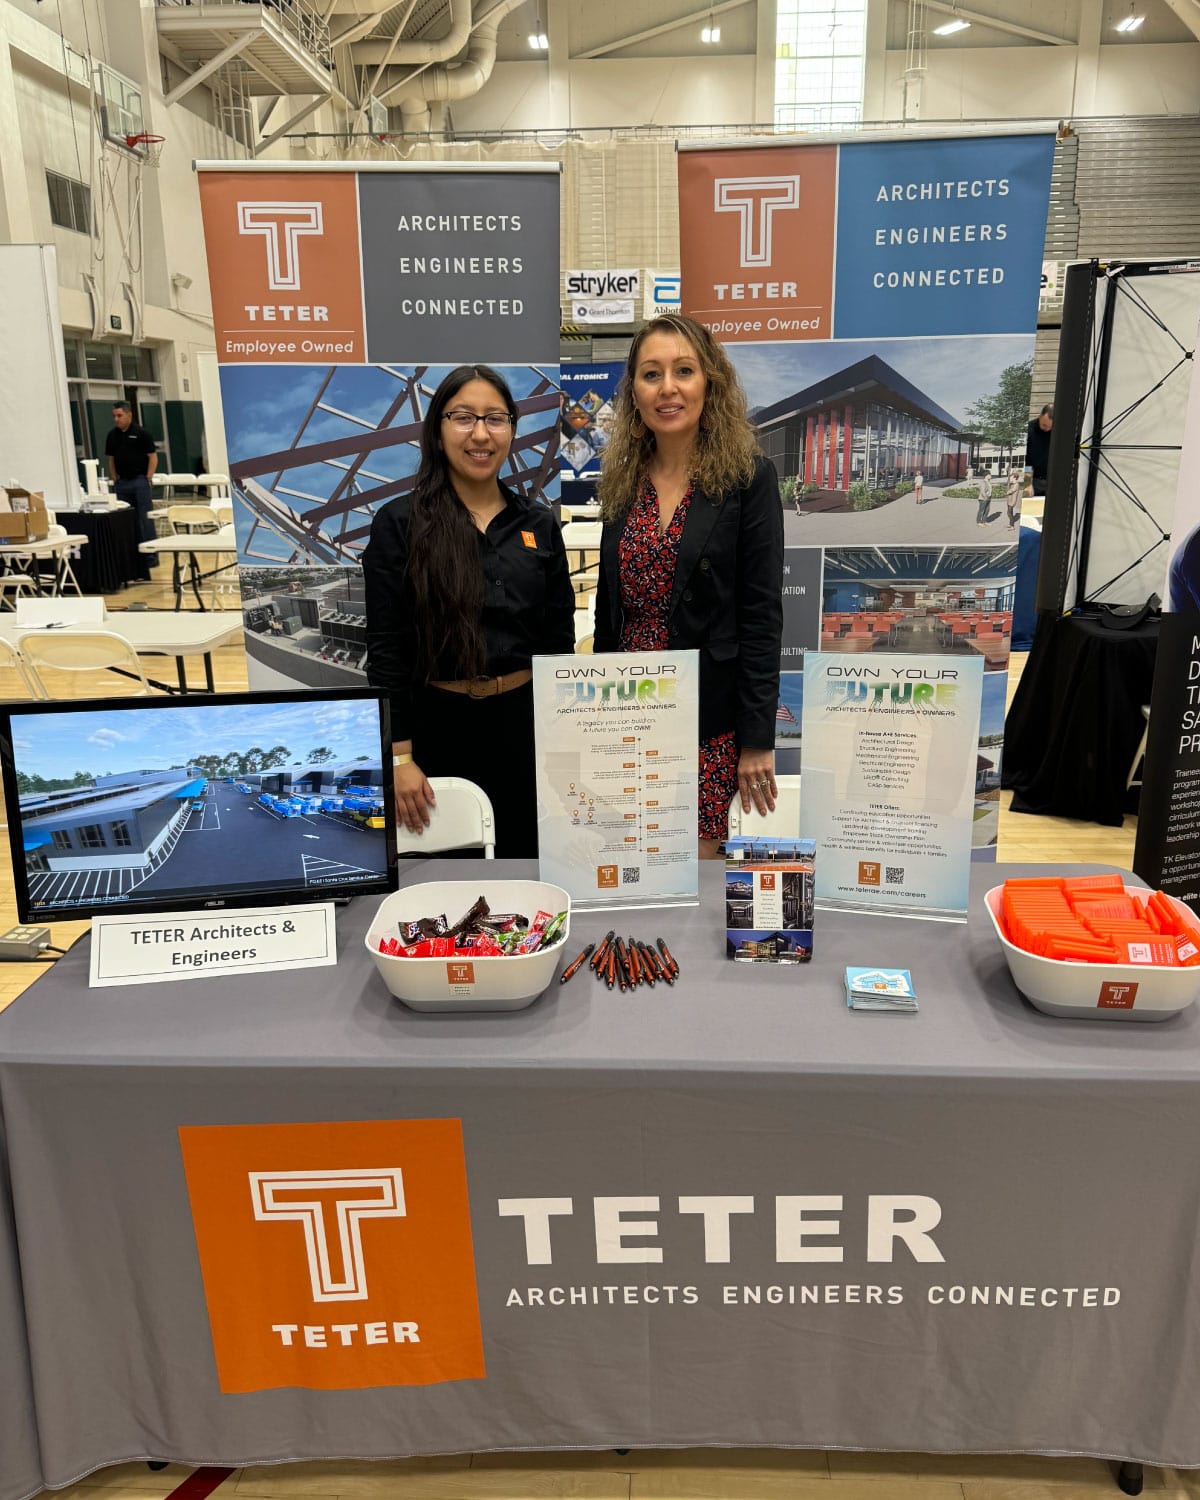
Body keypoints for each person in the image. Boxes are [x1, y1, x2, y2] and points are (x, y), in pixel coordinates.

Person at [363, 364, 575, 858]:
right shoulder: (400, 523)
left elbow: (557, 644)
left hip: (525, 731)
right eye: (463, 417)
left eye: (495, 419)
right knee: (449, 876)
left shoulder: (538, 524)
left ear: (511, 431)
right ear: (438, 430)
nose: (480, 434)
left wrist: (564, 744)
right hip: (439, 730)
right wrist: (399, 759)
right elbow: (386, 649)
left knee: (528, 866)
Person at [593, 313, 784, 859]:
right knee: (630, 859)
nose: (668, 388)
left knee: (695, 867)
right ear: (634, 391)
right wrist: (600, 715)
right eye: (651, 374)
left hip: (709, 714)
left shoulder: (747, 476)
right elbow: (612, 611)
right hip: (631, 708)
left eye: (683, 370)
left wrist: (756, 739)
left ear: (710, 382)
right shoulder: (622, 478)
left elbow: (761, 615)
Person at [104, 401, 157, 578]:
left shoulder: (141, 434)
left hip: (139, 481)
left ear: (129, 415)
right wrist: (114, 477)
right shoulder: (112, 436)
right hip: (122, 483)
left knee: (145, 518)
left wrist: (148, 477)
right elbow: (110, 459)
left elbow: (152, 457)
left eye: (119, 415)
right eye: (114, 416)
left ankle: (151, 555)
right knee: (126, 520)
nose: (116, 419)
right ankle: (131, 554)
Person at [1025, 404, 1053, 495]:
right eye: (1044, 425)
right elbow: (1027, 460)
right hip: (1035, 480)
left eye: (1050, 427)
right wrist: (1027, 483)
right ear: (1040, 416)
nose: (1047, 429)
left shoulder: (1058, 431)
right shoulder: (1029, 430)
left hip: (1053, 480)